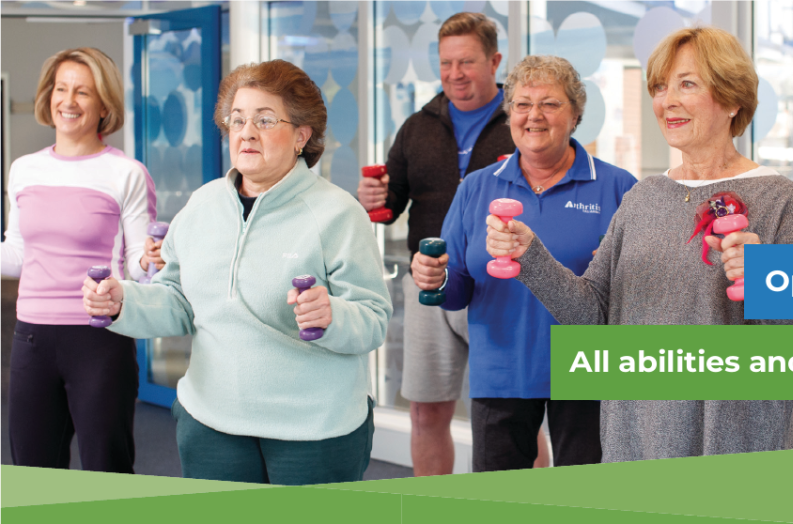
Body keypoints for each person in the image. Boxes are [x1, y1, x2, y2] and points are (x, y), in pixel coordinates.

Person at [486, 27, 793, 462]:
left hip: (727, 443)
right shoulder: (643, 198)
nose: (667, 101)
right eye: (660, 87)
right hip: (634, 441)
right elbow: (592, 315)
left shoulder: (776, 198)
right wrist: (529, 253)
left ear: (733, 98)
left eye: (687, 84)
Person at [82, 60, 392, 485]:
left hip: (314, 433)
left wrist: (332, 314)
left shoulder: (338, 213)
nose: (246, 132)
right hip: (212, 423)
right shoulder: (203, 205)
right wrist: (123, 300)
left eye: (265, 120)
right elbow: (177, 300)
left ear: (302, 136)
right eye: (238, 120)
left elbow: (373, 318)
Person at [414, 55, 638, 472]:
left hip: (590, 369)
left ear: (575, 115)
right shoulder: (477, 188)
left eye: (550, 104)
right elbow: (458, 285)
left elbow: (636, 291)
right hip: (502, 366)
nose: (533, 115)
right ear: (509, 115)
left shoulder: (619, 187)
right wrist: (438, 277)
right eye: (521, 104)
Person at [357, 12, 549, 475]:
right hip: (430, 282)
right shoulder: (418, 127)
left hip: (504, 287)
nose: (454, 74)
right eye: (446, 63)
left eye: (466, 62)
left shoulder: (522, 120)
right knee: (426, 411)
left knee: (520, 417)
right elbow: (393, 204)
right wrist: (374, 200)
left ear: (494, 60)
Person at [0, 48, 156, 473]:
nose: (68, 101)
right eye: (61, 88)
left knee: (107, 470)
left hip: (99, 339)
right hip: (32, 338)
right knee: (33, 471)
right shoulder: (23, 170)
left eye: (83, 92)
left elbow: (140, 263)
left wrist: (155, 260)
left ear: (104, 104)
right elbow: (17, 252)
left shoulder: (126, 173)